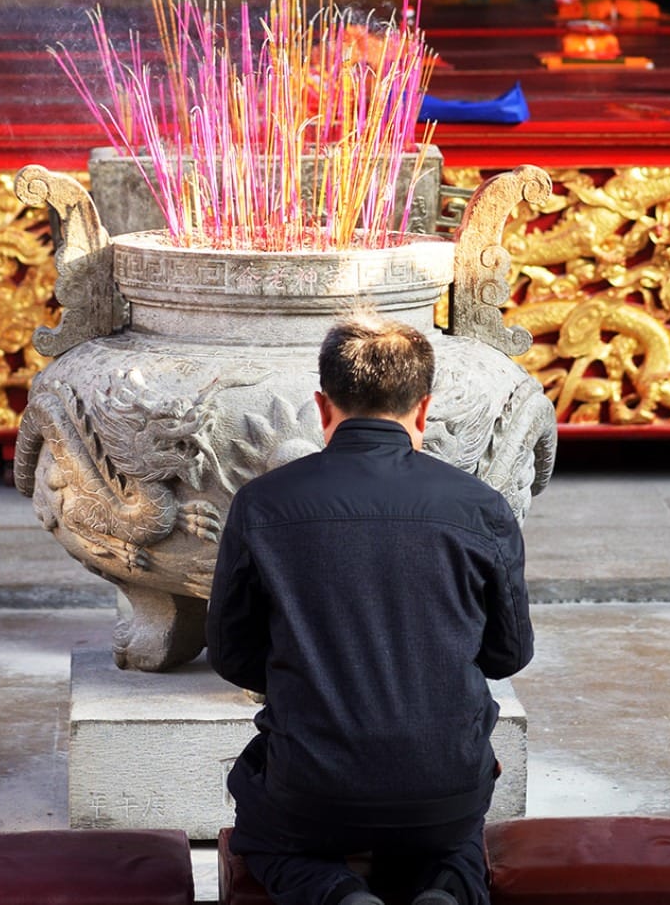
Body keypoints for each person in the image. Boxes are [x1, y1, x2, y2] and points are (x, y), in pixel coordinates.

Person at [206, 311, 533, 905]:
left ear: (323, 408)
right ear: (424, 410)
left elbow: (232, 654)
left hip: (312, 791)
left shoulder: (261, 504)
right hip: (445, 785)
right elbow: (509, 653)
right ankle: (448, 891)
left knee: (266, 833)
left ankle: (336, 895)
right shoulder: (481, 507)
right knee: (453, 842)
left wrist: (306, 673)